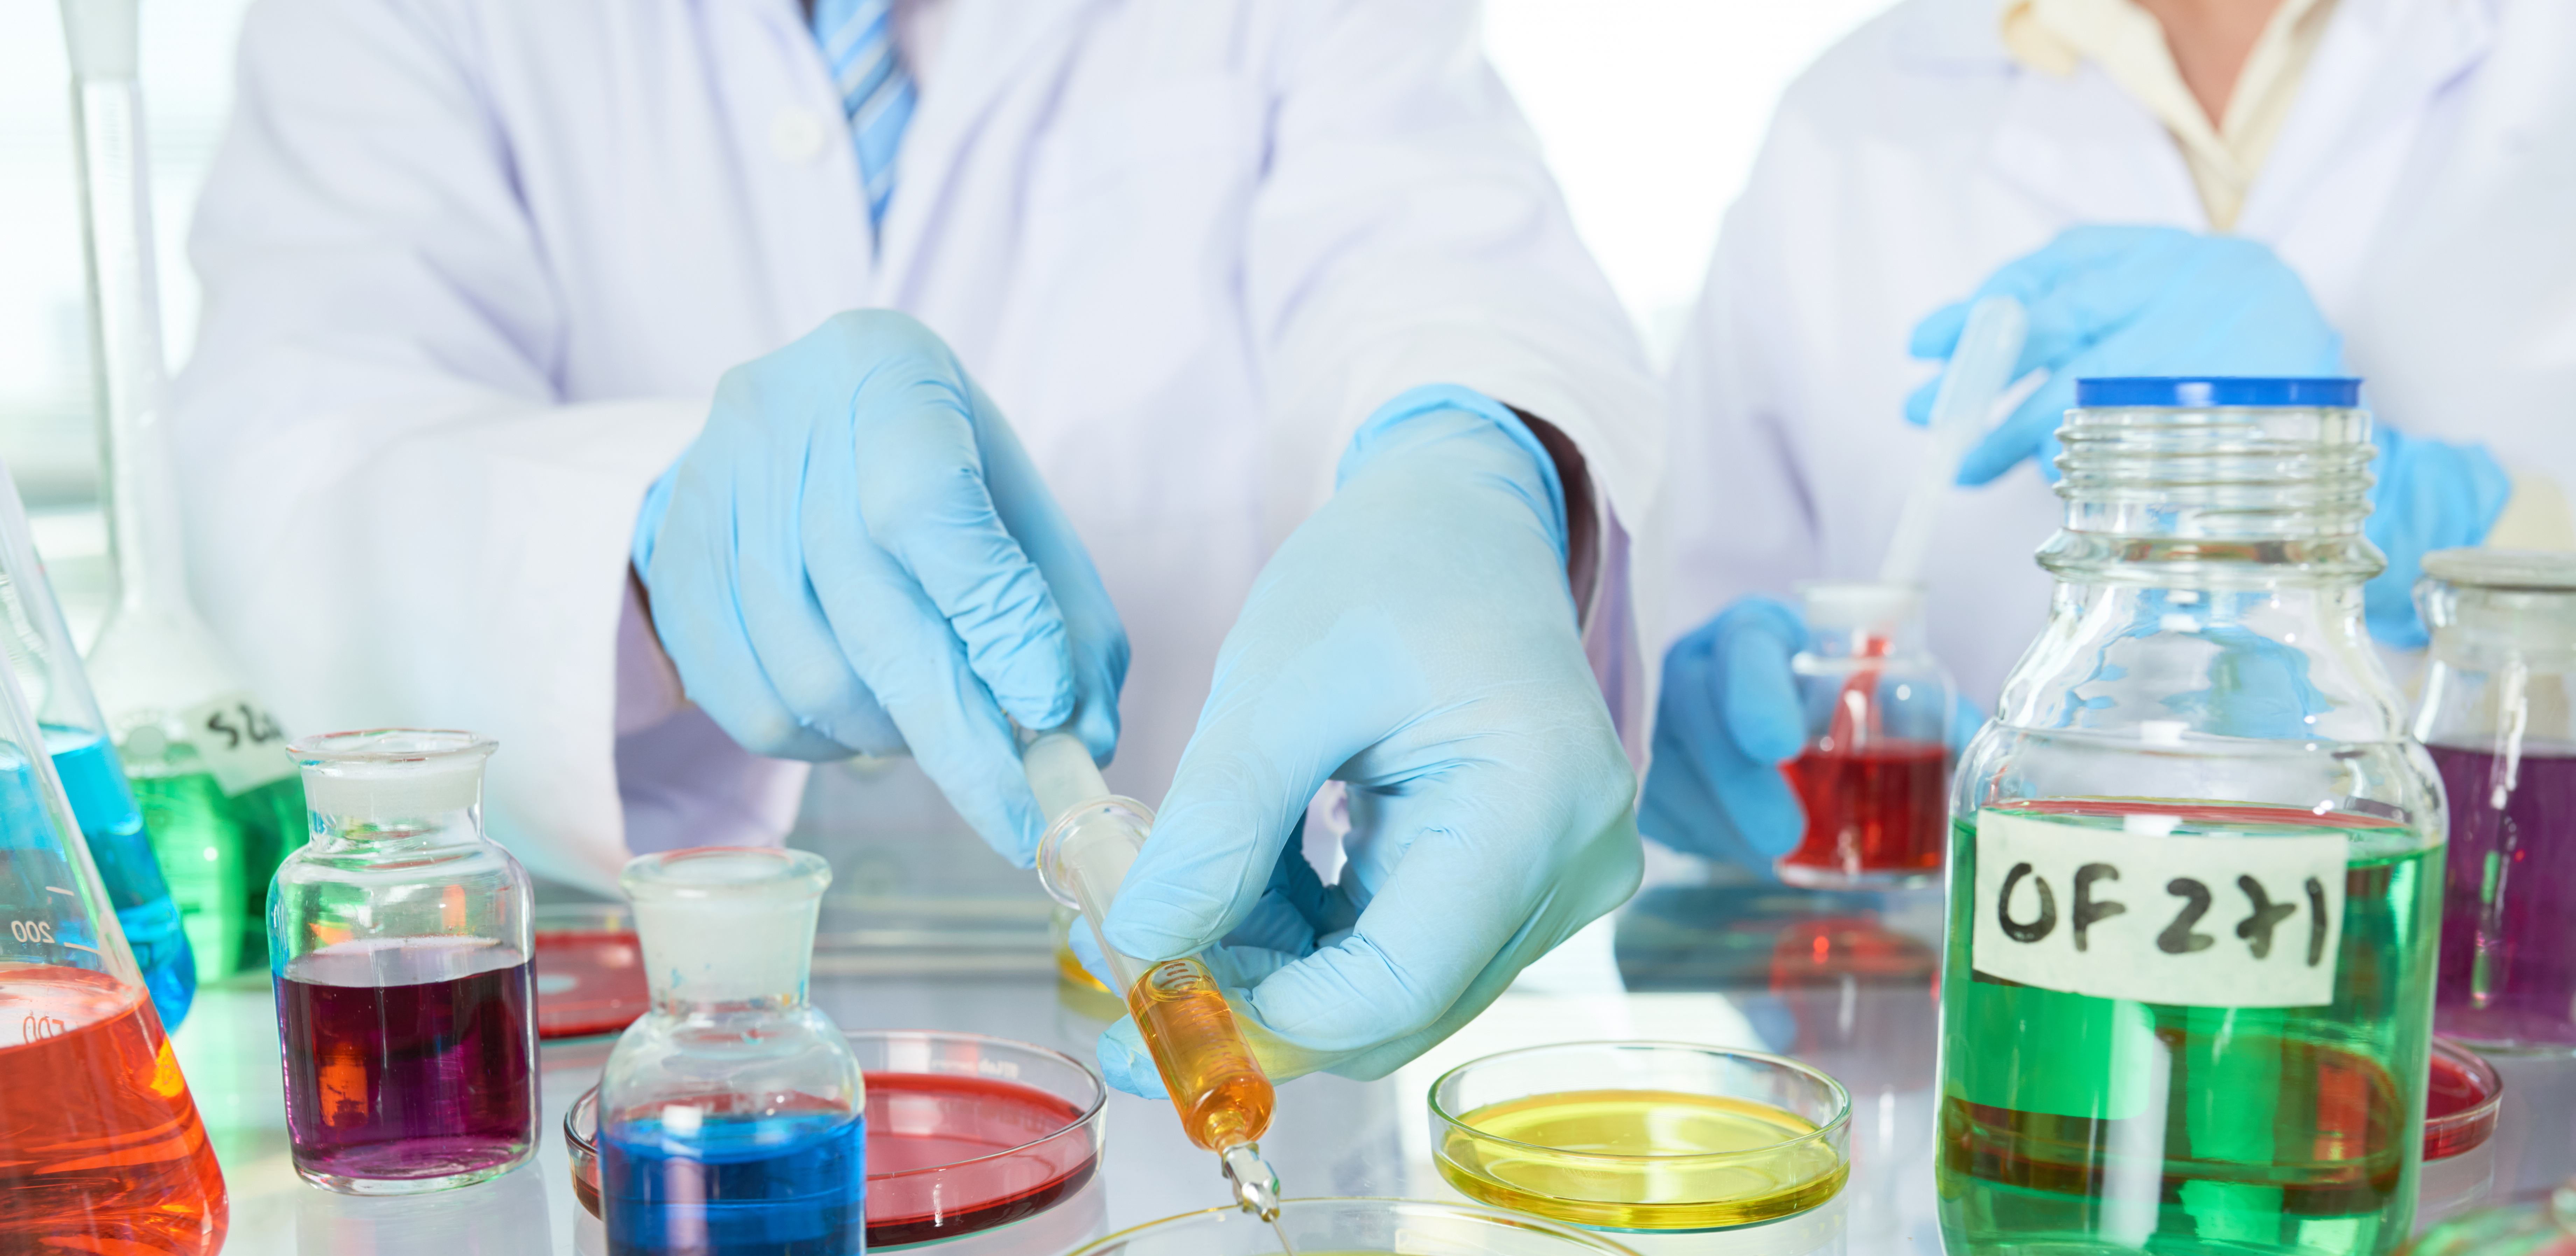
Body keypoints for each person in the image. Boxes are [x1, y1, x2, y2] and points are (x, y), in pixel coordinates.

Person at [171, 0, 1659, 1087]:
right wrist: (647, 540)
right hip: (636, 1117)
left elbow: (1436, 242)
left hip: (1224, 1090)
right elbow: (295, 447)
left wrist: (1477, 467)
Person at [1644, 0, 2576, 870]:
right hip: (1976, 993)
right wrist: (1684, 715)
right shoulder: (1844, 128)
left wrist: (2479, 536)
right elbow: (1698, 612)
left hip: (2475, 982)